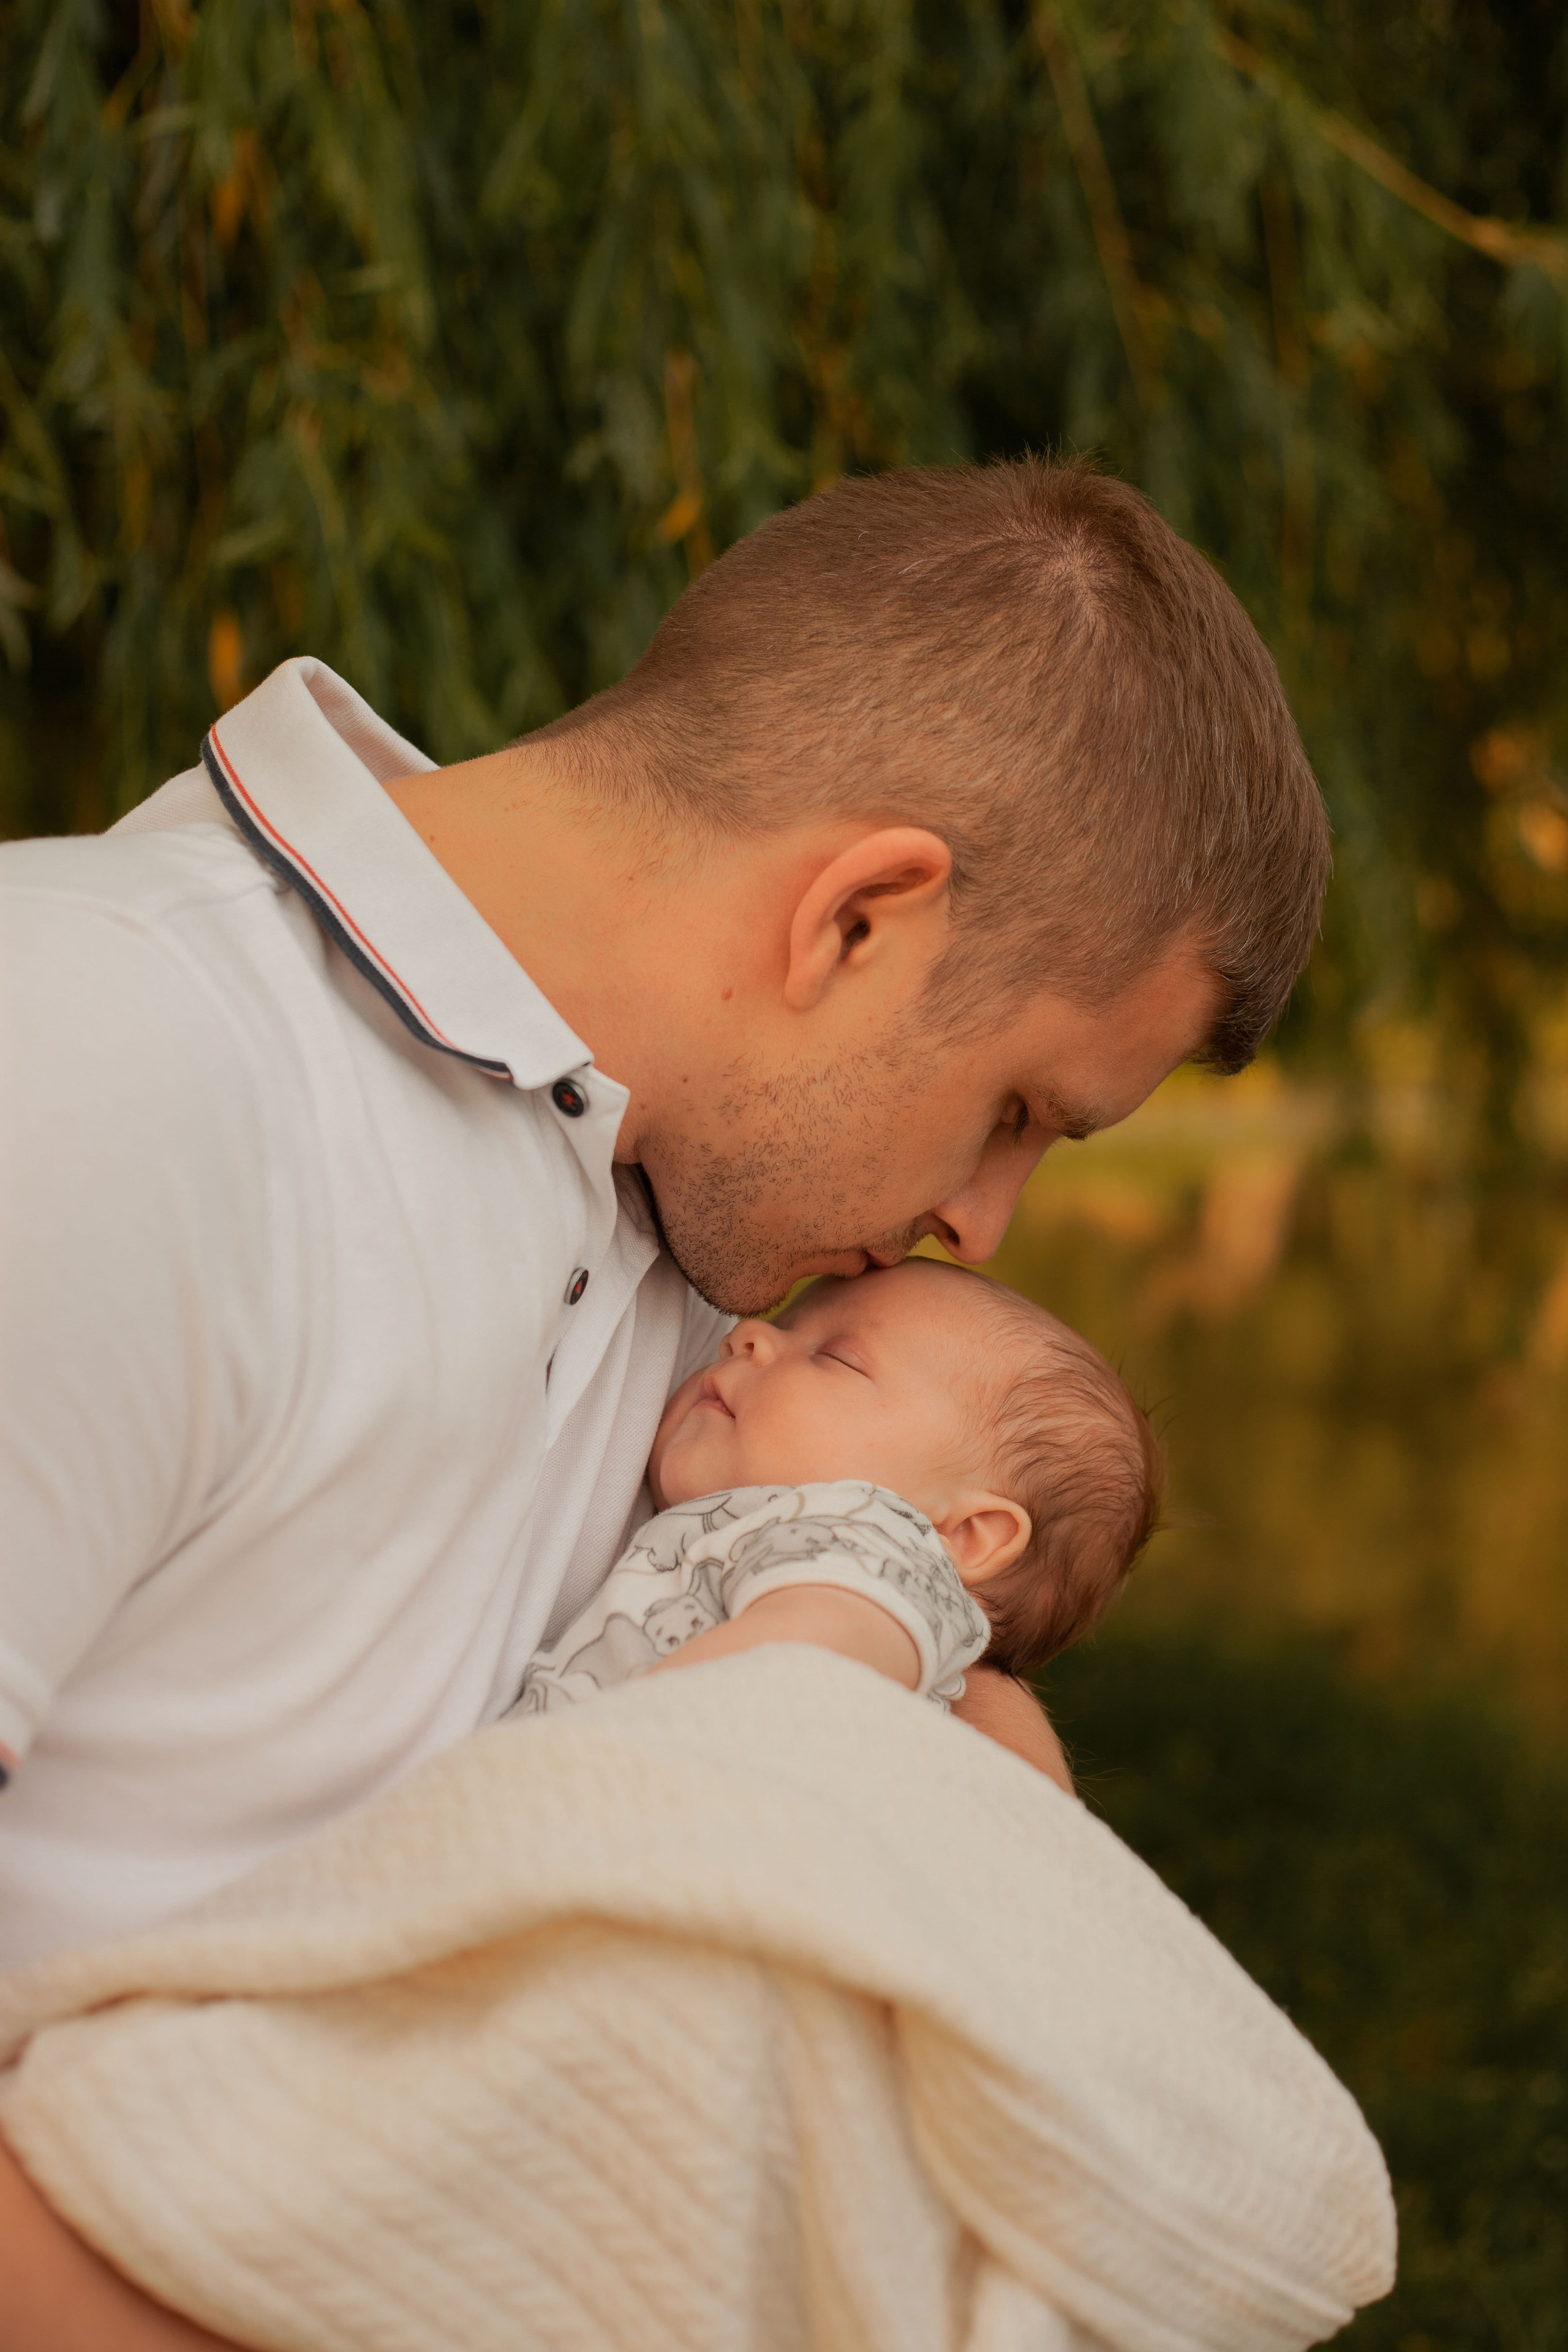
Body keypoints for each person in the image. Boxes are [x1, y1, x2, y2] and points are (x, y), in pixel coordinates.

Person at [0, 456, 1330, 1975]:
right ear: (856, 922)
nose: (981, 1225)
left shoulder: (702, 1231)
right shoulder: (90, 1059)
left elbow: (890, 1653)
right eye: (1014, 1111)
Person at [519, 1258, 1158, 1714]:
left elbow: (809, 1655)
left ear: (965, 1534)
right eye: (785, 1322)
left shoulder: (879, 1544)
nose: (746, 1336)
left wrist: (622, 1740)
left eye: (837, 1357)